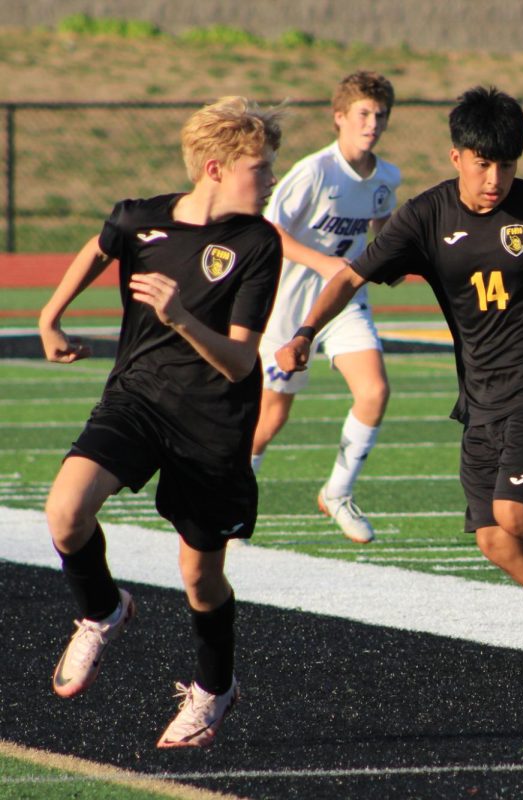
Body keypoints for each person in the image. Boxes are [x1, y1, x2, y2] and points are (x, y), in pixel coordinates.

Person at [275, 86, 523, 670]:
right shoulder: (425, 217)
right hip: (480, 395)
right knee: (495, 538)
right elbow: (349, 275)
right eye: (483, 163)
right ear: (456, 156)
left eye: (507, 165)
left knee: (517, 512)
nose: (495, 178)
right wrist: (306, 331)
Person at [38, 97, 283, 746]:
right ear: (214, 168)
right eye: (260, 169)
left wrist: (180, 318)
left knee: (200, 577)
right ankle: (101, 611)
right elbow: (101, 245)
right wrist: (50, 315)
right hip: (138, 400)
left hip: (214, 424)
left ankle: (214, 688)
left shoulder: (257, 243)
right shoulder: (141, 219)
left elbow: (237, 361)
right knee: (65, 511)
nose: (270, 180)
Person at [252, 71, 401, 544]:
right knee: (272, 416)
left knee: (374, 391)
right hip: (290, 302)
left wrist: (395, 258)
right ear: (339, 118)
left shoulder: (386, 177)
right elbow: (268, 230)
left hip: (344, 299)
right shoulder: (314, 171)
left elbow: (382, 231)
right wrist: (321, 261)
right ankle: (231, 493)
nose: (372, 122)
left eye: (379, 114)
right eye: (362, 113)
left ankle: (337, 492)